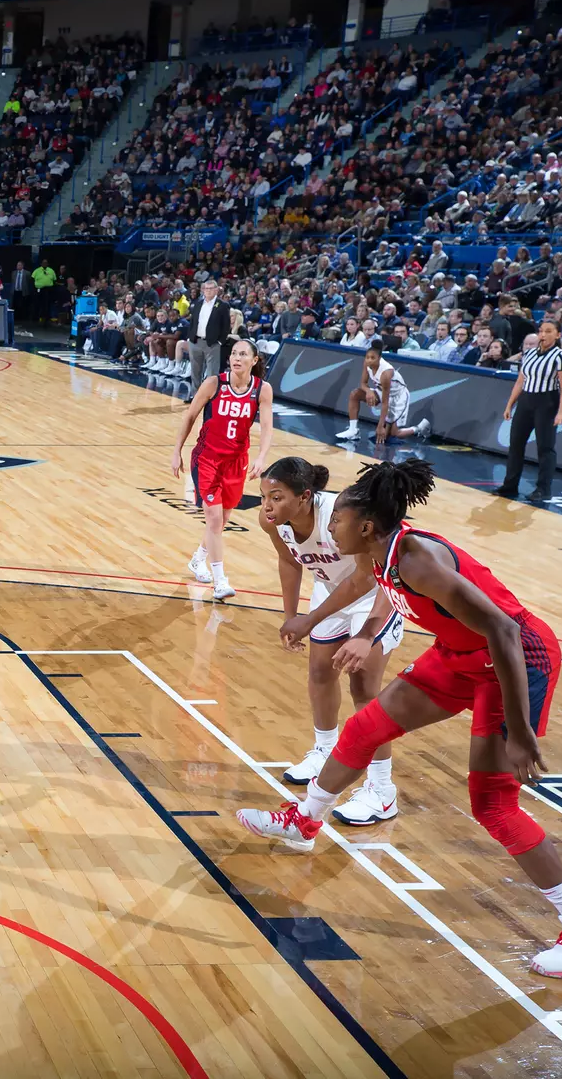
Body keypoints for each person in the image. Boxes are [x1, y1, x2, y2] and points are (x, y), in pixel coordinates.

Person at [237, 460, 562, 980]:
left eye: (339, 523)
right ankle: (305, 820)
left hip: (514, 660)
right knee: (364, 727)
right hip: (459, 654)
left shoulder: (418, 561)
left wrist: (522, 730)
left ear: (366, 526)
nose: (331, 530)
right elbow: (355, 586)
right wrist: (311, 617)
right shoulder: (379, 550)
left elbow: (505, 631)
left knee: (492, 804)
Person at [260, 457, 405, 824]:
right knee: (321, 672)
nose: (267, 506)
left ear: (306, 496)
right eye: (263, 496)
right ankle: (325, 750)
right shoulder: (273, 522)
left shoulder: (339, 516)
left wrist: (312, 619)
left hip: (374, 595)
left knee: (365, 690)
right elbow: (290, 563)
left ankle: (381, 790)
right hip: (330, 590)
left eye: (276, 497)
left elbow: (365, 579)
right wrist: (292, 616)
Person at [171, 339, 274, 600]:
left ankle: (198, 560)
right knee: (215, 521)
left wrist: (261, 457)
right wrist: (177, 451)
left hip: (236, 462)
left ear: (255, 360)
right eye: (233, 353)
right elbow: (190, 416)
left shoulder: (262, 390)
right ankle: (220, 580)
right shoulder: (214, 383)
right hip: (207, 459)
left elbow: (267, 427)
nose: (236, 358)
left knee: (222, 521)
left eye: (243, 354)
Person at [495, 323, 562, 502]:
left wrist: (561, 412)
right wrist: (509, 405)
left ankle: (543, 489)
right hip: (525, 401)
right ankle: (510, 486)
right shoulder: (529, 354)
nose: (543, 335)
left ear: (558, 335)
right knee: (515, 444)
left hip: (547, 402)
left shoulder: (559, 356)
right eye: (541, 331)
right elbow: (520, 381)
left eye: (548, 331)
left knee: (545, 448)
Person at [337, 343, 431, 443]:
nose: (369, 360)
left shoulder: (386, 373)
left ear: (379, 358)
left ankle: (419, 428)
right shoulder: (367, 364)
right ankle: (353, 431)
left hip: (398, 397)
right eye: (367, 357)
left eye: (372, 358)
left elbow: (385, 403)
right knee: (355, 394)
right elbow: (363, 383)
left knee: (395, 433)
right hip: (381, 391)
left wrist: (380, 426)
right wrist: (369, 391)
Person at [188, 279, 234, 399]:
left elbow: (226, 326)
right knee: (195, 371)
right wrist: (190, 337)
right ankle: (195, 396)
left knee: (212, 373)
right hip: (195, 341)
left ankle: (211, 397)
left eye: (210, 288)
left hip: (212, 343)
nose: (207, 291)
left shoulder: (223, 305)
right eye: (206, 288)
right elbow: (193, 321)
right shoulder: (198, 303)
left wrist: (219, 342)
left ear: (216, 290)